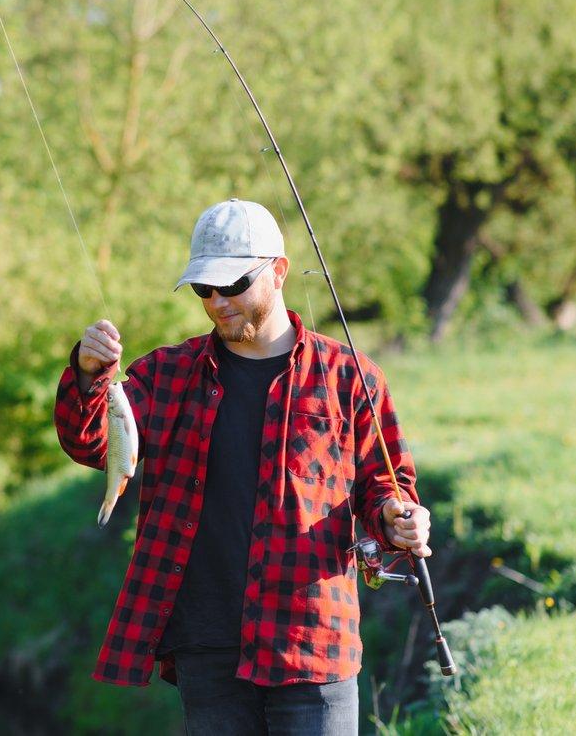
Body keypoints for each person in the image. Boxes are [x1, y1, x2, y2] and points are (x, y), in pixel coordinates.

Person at [54, 198, 432, 735]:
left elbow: (384, 487)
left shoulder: (351, 377)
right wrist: (88, 377)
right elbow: (90, 442)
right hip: (206, 647)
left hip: (312, 645)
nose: (217, 302)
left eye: (232, 286)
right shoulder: (164, 374)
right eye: (204, 290)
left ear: (277, 271)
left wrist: (399, 518)